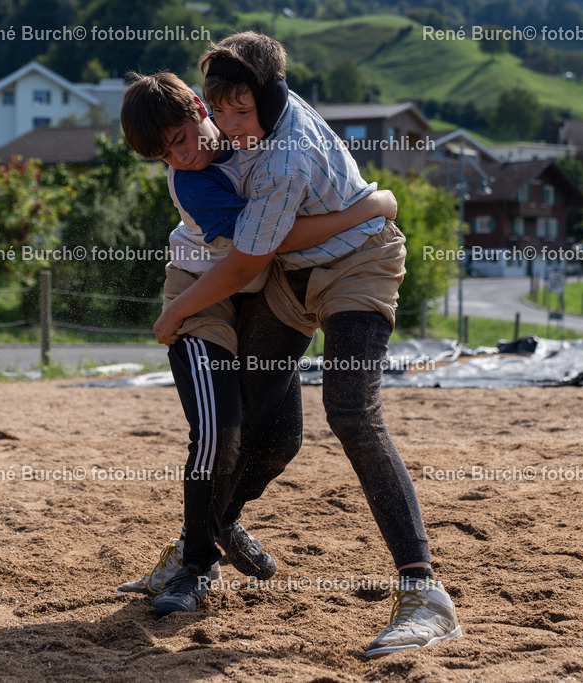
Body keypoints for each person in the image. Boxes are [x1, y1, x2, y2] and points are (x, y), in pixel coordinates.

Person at [150, 32, 462, 657]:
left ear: (271, 97)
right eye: (223, 111)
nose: (233, 127)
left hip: (357, 262)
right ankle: (199, 550)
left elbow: (247, 260)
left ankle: (424, 593)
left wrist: (373, 207)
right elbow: (260, 249)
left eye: (245, 111)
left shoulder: (284, 156)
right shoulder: (219, 133)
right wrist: (375, 196)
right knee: (263, 425)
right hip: (288, 276)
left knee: (350, 410)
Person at [115, 71, 398, 617]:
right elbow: (263, 247)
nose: (180, 157)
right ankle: (194, 565)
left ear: (200, 107)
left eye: (181, 139)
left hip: (260, 295)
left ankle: (221, 523)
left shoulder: (253, 128)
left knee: (280, 442)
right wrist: (370, 206)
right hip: (203, 297)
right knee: (219, 431)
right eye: (164, 155)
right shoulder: (192, 182)